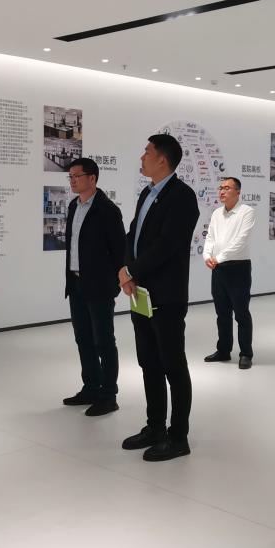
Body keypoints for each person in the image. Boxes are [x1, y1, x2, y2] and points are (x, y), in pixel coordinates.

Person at [118, 134, 200, 462]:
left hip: (166, 295)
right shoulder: (147, 193)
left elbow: (167, 245)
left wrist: (132, 269)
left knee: (172, 366)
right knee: (148, 363)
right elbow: (133, 234)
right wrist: (128, 270)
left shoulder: (182, 197)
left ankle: (178, 437)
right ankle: (155, 427)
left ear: (162, 159)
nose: (142, 157)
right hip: (141, 292)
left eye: (147, 152)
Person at [61, 158, 126, 416]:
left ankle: (108, 395)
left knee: (104, 341)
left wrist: (116, 283)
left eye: (77, 176)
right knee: (83, 339)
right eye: (70, 176)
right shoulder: (73, 206)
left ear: (92, 178)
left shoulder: (108, 210)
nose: (72, 180)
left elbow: (119, 251)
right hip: (76, 283)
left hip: (99, 286)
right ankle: (90, 387)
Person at [202, 177, 256, 369]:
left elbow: (240, 241)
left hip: (238, 268)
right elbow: (210, 237)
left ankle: (246, 353)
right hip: (218, 269)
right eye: (221, 188)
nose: (222, 191)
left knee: (241, 313)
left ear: (238, 192)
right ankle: (224, 350)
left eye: (227, 188)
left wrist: (218, 257)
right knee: (222, 313)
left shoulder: (246, 212)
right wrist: (207, 256)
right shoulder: (217, 213)